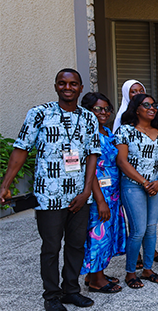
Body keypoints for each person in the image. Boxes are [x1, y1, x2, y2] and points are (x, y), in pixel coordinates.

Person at [0, 69, 108, 311]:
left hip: (79, 196)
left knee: (76, 245)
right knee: (51, 247)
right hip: (48, 195)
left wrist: (86, 192)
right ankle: (51, 296)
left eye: (73, 84)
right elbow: (21, 149)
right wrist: (5, 185)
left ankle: (71, 291)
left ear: (81, 88)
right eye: (62, 83)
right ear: (56, 86)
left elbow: (92, 155)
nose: (67, 87)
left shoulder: (89, 118)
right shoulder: (39, 114)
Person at [114, 93, 158, 289]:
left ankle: (147, 269)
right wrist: (145, 182)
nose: (152, 108)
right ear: (136, 108)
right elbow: (122, 161)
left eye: (154, 105)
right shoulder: (125, 131)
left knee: (151, 228)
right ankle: (130, 273)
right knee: (138, 230)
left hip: (156, 185)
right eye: (146, 105)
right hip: (133, 186)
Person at [80, 92, 127, 294]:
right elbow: (87, 170)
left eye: (107, 109)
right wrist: (100, 200)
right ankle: (96, 281)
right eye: (98, 109)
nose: (104, 113)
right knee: (97, 235)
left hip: (112, 193)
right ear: (87, 111)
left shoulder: (107, 131)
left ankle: (94, 274)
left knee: (107, 234)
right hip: (98, 193)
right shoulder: (86, 134)